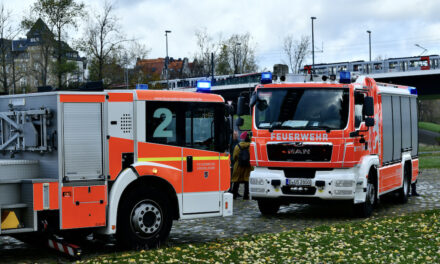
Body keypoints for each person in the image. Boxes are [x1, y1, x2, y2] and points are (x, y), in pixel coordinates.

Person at [231, 131, 253, 199]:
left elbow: (234, 156)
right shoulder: (251, 146)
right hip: (248, 166)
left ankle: (234, 194)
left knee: (236, 180)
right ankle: (246, 195)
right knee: (247, 181)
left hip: (238, 166)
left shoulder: (237, 146)